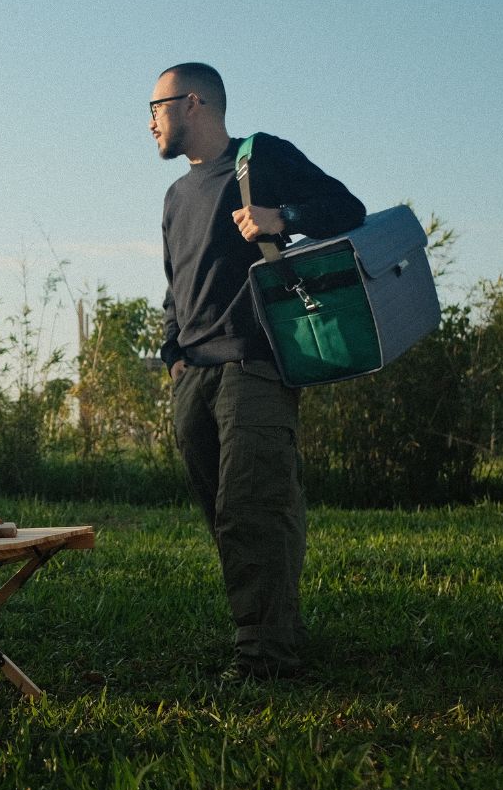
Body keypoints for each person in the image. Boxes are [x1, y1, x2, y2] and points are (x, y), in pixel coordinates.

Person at [151, 62, 366, 680]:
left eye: (155, 107)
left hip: (257, 364)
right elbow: (176, 286)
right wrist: (173, 353)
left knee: (253, 508)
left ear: (193, 104)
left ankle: (264, 658)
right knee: (231, 510)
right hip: (194, 373)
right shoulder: (175, 196)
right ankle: (281, 626)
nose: (149, 123)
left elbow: (347, 208)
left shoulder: (259, 156)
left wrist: (284, 217)